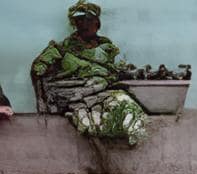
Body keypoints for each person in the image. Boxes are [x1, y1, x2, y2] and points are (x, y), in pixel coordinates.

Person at [31, 2, 148, 145]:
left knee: (128, 109)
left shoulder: (106, 48)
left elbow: (110, 74)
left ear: (97, 23)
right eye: (79, 20)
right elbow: (37, 70)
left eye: (88, 20)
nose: (84, 24)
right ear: (75, 23)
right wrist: (43, 101)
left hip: (104, 93)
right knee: (89, 123)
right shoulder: (62, 48)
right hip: (75, 97)